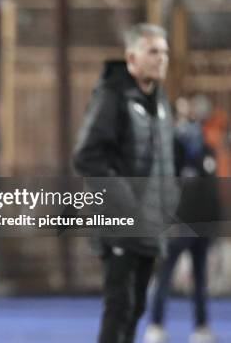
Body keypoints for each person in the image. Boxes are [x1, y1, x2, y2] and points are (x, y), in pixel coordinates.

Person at [73, 23, 179, 343]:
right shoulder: (112, 97)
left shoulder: (160, 102)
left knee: (136, 307)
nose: (161, 59)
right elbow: (86, 156)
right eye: (153, 52)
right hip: (121, 221)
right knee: (120, 305)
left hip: (151, 221)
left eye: (165, 52)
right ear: (131, 58)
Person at [144, 96, 220, 343]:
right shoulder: (169, 152)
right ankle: (155, 325)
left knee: (200, 279)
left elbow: (211, 191)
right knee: (164, 275)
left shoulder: (206, 151)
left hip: (202, 225)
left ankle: (201, 327)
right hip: (176, 225)